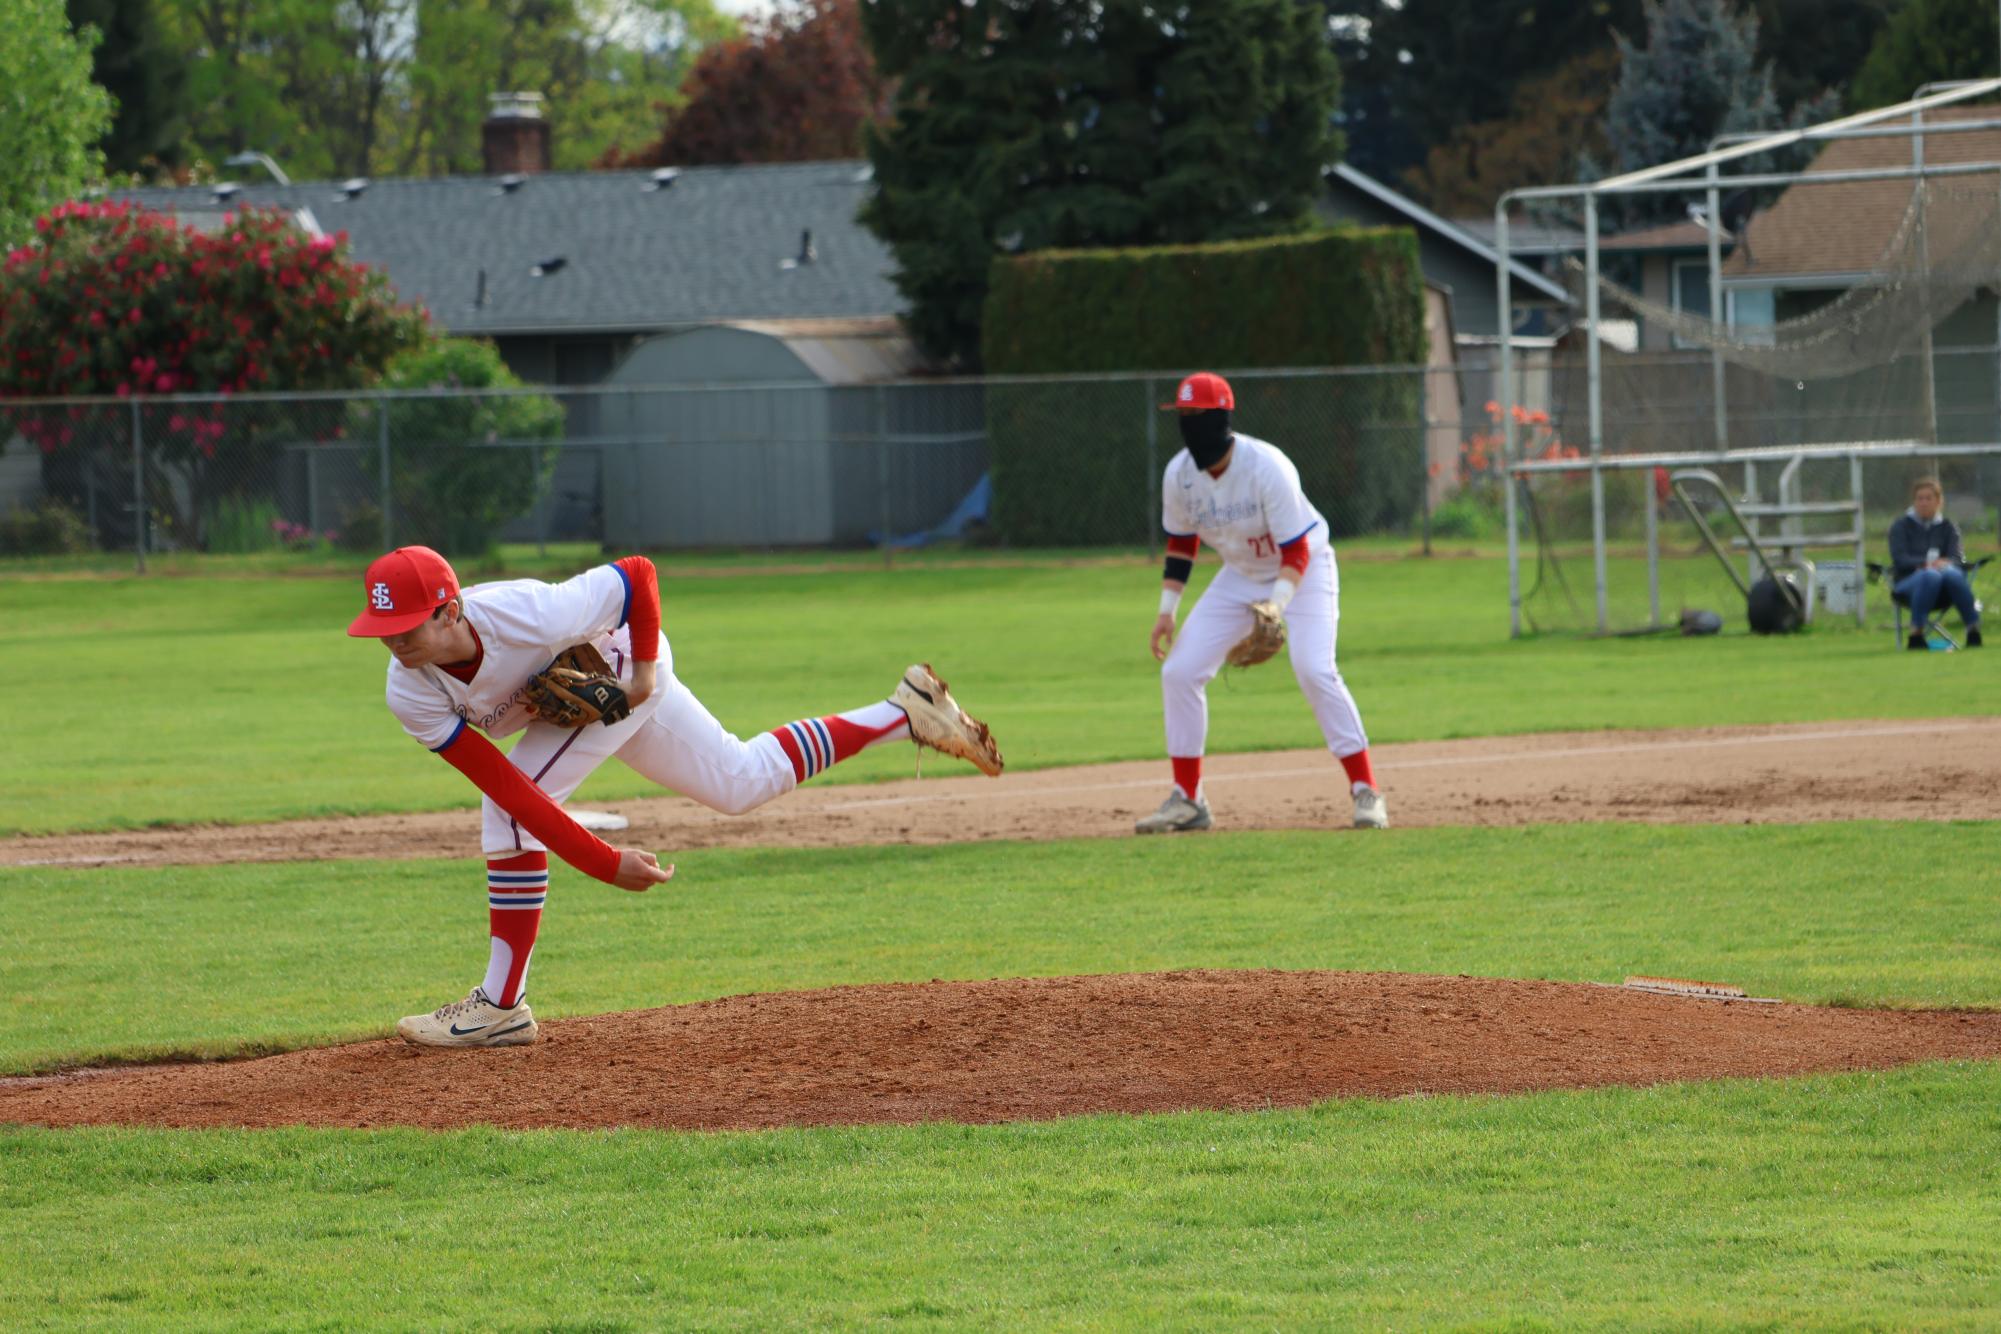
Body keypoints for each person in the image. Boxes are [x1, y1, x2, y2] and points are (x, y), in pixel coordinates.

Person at [346, 545, 1003, 1047]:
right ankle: (903, 712)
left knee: (509, 822)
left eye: (408, 626)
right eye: (384, 627)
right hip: (584, 698)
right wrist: (603, 860)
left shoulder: (531, 613)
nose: (395, 642)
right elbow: (501, 781)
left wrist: (639, 677)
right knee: (738, 782)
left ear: (450, 609)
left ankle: (500, 1005)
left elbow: (637, 574)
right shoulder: (409, 690)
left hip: (626, 660)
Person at [1138, 371, 1387, 834]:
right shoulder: (1179, 475)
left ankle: (1365, 791)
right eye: (1183, 416)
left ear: (1222, 417)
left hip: (1305, 571)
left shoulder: (1266, 466)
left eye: (1199, 415)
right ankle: (1189, 801)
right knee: (1179, 672)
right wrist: (1166, 610)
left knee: (1314, 668)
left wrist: (1276, 606)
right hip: (1240, 576)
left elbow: (1296, 550)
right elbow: (1181, 543)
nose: (1190, 424)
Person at [1889, 477, 1982, 649]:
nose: (1923, 503)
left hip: (1946, 585)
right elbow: (1900, 559)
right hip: (1909, 582)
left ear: (1939, 501)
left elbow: (1956, 557)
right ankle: (1916, 635)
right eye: (1919, 498)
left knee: (1952, 574)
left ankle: (1973, 630)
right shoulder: (1900, 526)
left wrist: (1943, 564)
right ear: (1914, 501)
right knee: (1930, 575)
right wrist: (1926, 564)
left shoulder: (1948, 527)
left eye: (1928, 498)